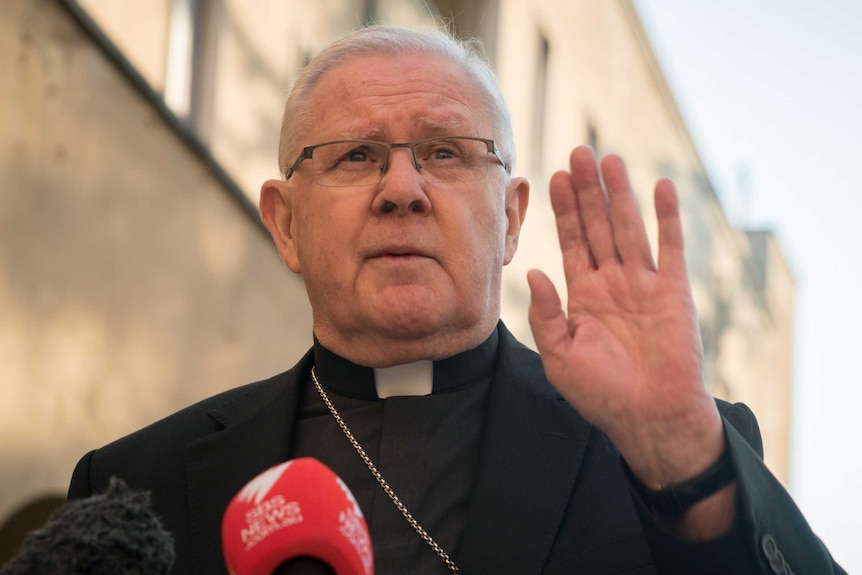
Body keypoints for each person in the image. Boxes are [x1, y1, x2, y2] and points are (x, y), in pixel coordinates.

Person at [68, 24, 846, 575]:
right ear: (287, 223)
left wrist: (691, 468)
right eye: (356, 155)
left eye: (445, 151)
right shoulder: (134, 485)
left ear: (509, 218)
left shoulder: (663, 458)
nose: (401, 190)